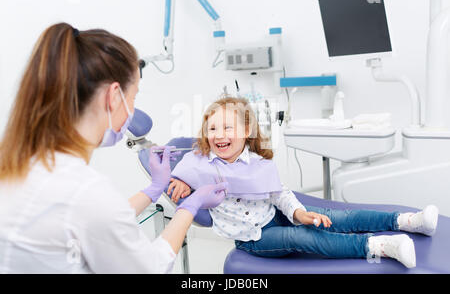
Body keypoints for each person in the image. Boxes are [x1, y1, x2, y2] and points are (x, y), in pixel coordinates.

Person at [0, 23, 227, 274]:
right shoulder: (85, 191)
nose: (132, 108)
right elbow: (149, 268)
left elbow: (100, 222)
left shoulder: (21, 165)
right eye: (133, 97)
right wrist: (190, 206)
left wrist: (154, 189)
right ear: (114, 96)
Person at [167, 96, 439, 269]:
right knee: (304, 237)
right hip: (254, 238)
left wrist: (298, 212)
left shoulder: (257, 164)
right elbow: (183, 169)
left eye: (227, 127)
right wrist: (180, 180)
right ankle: (379, 247)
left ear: (247, 131)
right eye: (212, 128)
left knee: (336, 217)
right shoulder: (201, 163)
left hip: (276, 215)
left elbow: (279, 193)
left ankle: (405, 221)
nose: (218, 135)